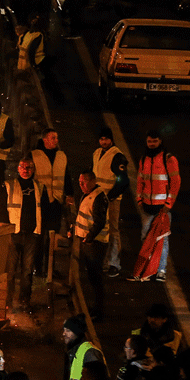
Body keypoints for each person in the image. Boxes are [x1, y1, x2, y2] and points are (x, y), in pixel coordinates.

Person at [3, 156, 49, 312]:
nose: (25, 170)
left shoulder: (39, 187)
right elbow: (3, 209)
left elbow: (45, 209)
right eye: (22, 167)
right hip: (14, 234)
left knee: (27, 271)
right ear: (17, 168)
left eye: (28, 167)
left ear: (33, 169)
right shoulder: (9, 185)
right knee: (10, 271)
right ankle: (7, 301)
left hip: (31, 234)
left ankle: (24, 300)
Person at [133, 130, 180, 281]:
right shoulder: (144, 159)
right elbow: (140, 180)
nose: (152, 144)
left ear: (160, 141)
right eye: (149, 142)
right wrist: (139, 199)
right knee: (145, 238)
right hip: (147, 207)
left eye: (154, 141)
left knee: (162, 239)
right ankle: (148, 268)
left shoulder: (169, 159)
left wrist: (168, 204)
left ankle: (161, 270)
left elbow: (176, 182)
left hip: (162, 208)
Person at [91, 127, 129, 276]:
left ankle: (114, 263)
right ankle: (100, 261)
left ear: (111, 140)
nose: (103, 142)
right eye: (101, 139)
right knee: (98, 228)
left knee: (112, 231)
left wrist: (111, 196)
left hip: (111, 200)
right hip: (98, 198)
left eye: (106, 139)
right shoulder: (96, 153)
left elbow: (123, 180)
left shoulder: (118, 156)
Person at [32, 128, 69, 277]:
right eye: (53, 138)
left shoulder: (61, 156)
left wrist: (70, 193)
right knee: (39, 237)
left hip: (56, 201)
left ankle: (50, 269)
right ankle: (38, 268)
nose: (56, 140)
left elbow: (66, 175)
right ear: (45, 139)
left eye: (56, 137)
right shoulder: (34, 155)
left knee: (52, 237)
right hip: (40, 201)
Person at [73, 172, 110, 319]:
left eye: (84, 182)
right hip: (89, 241)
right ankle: (96, 308)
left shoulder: (98, 197)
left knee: (95, 277)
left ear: (93, 181)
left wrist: (89, 238)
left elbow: (99, 222)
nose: (81, 185)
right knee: (92, 276)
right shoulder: (89, 194)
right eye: (80, 182)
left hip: (95, 243)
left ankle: (99, 310)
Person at [63, 314, 102, 380]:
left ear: (77, 333)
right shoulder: (75, 351)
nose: (64, 334)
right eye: (64, 330)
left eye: (68, 331)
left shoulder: (89, 353)